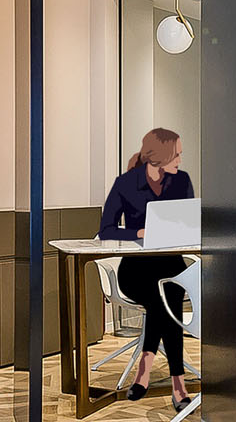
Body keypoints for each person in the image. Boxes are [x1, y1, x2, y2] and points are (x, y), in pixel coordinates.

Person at [97, 128, 195, 412]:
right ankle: (178, 383)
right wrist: (137, 232)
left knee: (166, 298)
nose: (180, 159)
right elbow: (106, 229)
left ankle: (145, 366)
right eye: (176, 154)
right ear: (159, 155)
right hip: (136, 270)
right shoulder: (126, 184)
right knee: (163, 300)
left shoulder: (182, 181)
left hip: (171, 266)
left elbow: (188, 223)